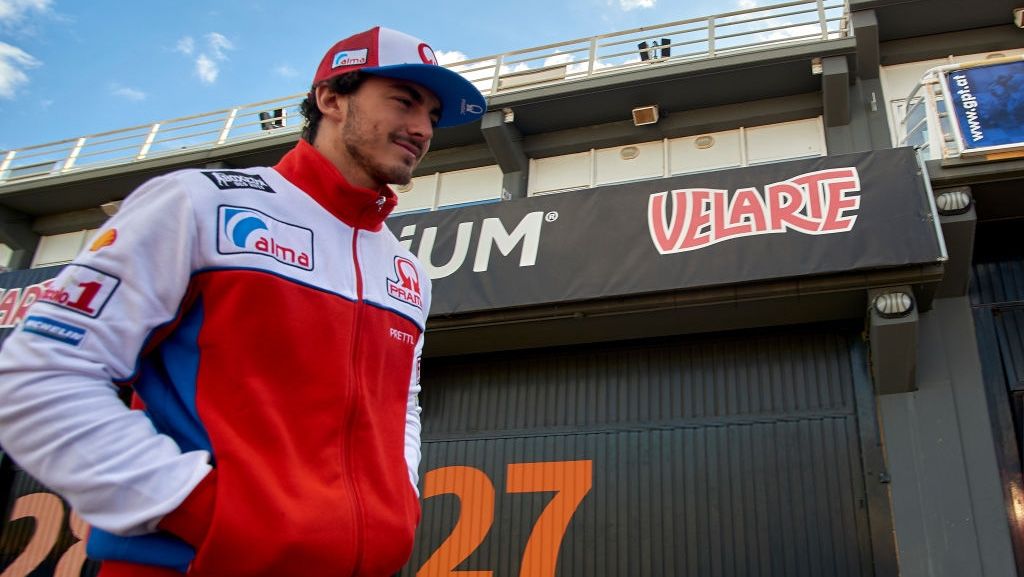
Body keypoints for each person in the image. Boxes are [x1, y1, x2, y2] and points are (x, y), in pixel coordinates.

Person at [0, 26, 485, 577]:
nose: (421, 129)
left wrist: (396, 503)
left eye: (434, 117)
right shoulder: (196, 203)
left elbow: (402, 410)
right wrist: (201, 510)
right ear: (330, 98)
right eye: (404, 101)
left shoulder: (406, 271)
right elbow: (38, 374)